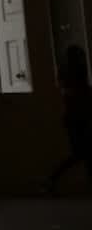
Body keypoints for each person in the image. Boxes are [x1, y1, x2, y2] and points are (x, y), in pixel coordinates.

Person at [46, 45, 92, 194]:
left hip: (75, 117)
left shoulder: (67, 76)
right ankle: (52, 179)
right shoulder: (78, 75)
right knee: (81, 153)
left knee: (82, 153)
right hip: (79, 117)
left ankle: (52, 179)